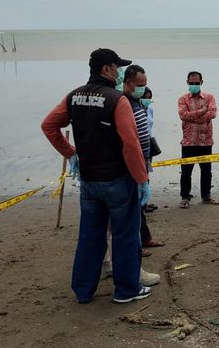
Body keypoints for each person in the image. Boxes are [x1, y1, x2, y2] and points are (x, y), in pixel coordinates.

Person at [41, 48, 152, 304]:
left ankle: (83, 290)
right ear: (106, 69)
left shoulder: (74, 96)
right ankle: (127, 290)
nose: (120, 71)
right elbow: (131, 144)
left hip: (89, 181)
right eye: (117, 67)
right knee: (125, 235)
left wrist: (70, 154)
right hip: (117, 181)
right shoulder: (117, 99)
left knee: (90, 236)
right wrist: (141, 179)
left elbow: (49, 125)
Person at [121, 66, 165, 272]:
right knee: (132, 209)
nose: (143, 88)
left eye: (145, 84)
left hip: (143, 161)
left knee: (139, 206)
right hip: (133, 165)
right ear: (128, 83)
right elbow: (130, 143)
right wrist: (140, 176)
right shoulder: (123, 103)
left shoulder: (136, 102)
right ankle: (136, 246)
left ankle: (144, 239)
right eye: (140, 85)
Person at [177, 71, 219, 208]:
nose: (193, 85)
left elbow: (212, 114)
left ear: (201, 82)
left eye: (196, 83)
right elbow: (183, 116)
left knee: (206, 171)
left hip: (205, 141)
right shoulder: (183, 99)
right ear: (187, 82)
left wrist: (194, 116)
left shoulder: (209, 97)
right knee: (186, 172)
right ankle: (185, 197)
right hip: (189, 141)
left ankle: (206, 196)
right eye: (191, 83)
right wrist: (202, 112)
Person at [140, 87, 158, 213]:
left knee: (146, 173)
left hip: (148, 145)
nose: (147, 100)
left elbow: (150, 126)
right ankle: (139, 202)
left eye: (149, 98)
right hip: (138, 145)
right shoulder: (134, 109)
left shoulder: (150, 109)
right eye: (144, 97)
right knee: (138, 173)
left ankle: (144, 202)